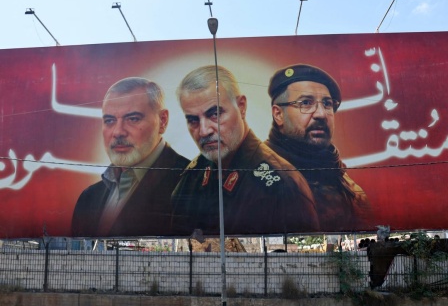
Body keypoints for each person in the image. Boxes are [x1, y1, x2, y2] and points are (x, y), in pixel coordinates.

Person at [171, 65, 319, 235]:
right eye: (193, 120)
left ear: (241, 107)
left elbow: (300, 257)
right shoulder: (191, 178)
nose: (204, 131)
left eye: (215, 114)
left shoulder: (283, 186)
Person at [72, 77, 189, 237]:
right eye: (110, 120)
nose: (118, 132)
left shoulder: (192, 184)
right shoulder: (88, 198)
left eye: (133, 119)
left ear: (162, 121)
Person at [265, 64, 372, 232]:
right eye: (306, 103)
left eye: (327, 104)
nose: (321, 114)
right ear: (278, 114)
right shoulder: (258, 175)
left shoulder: (350, 189)